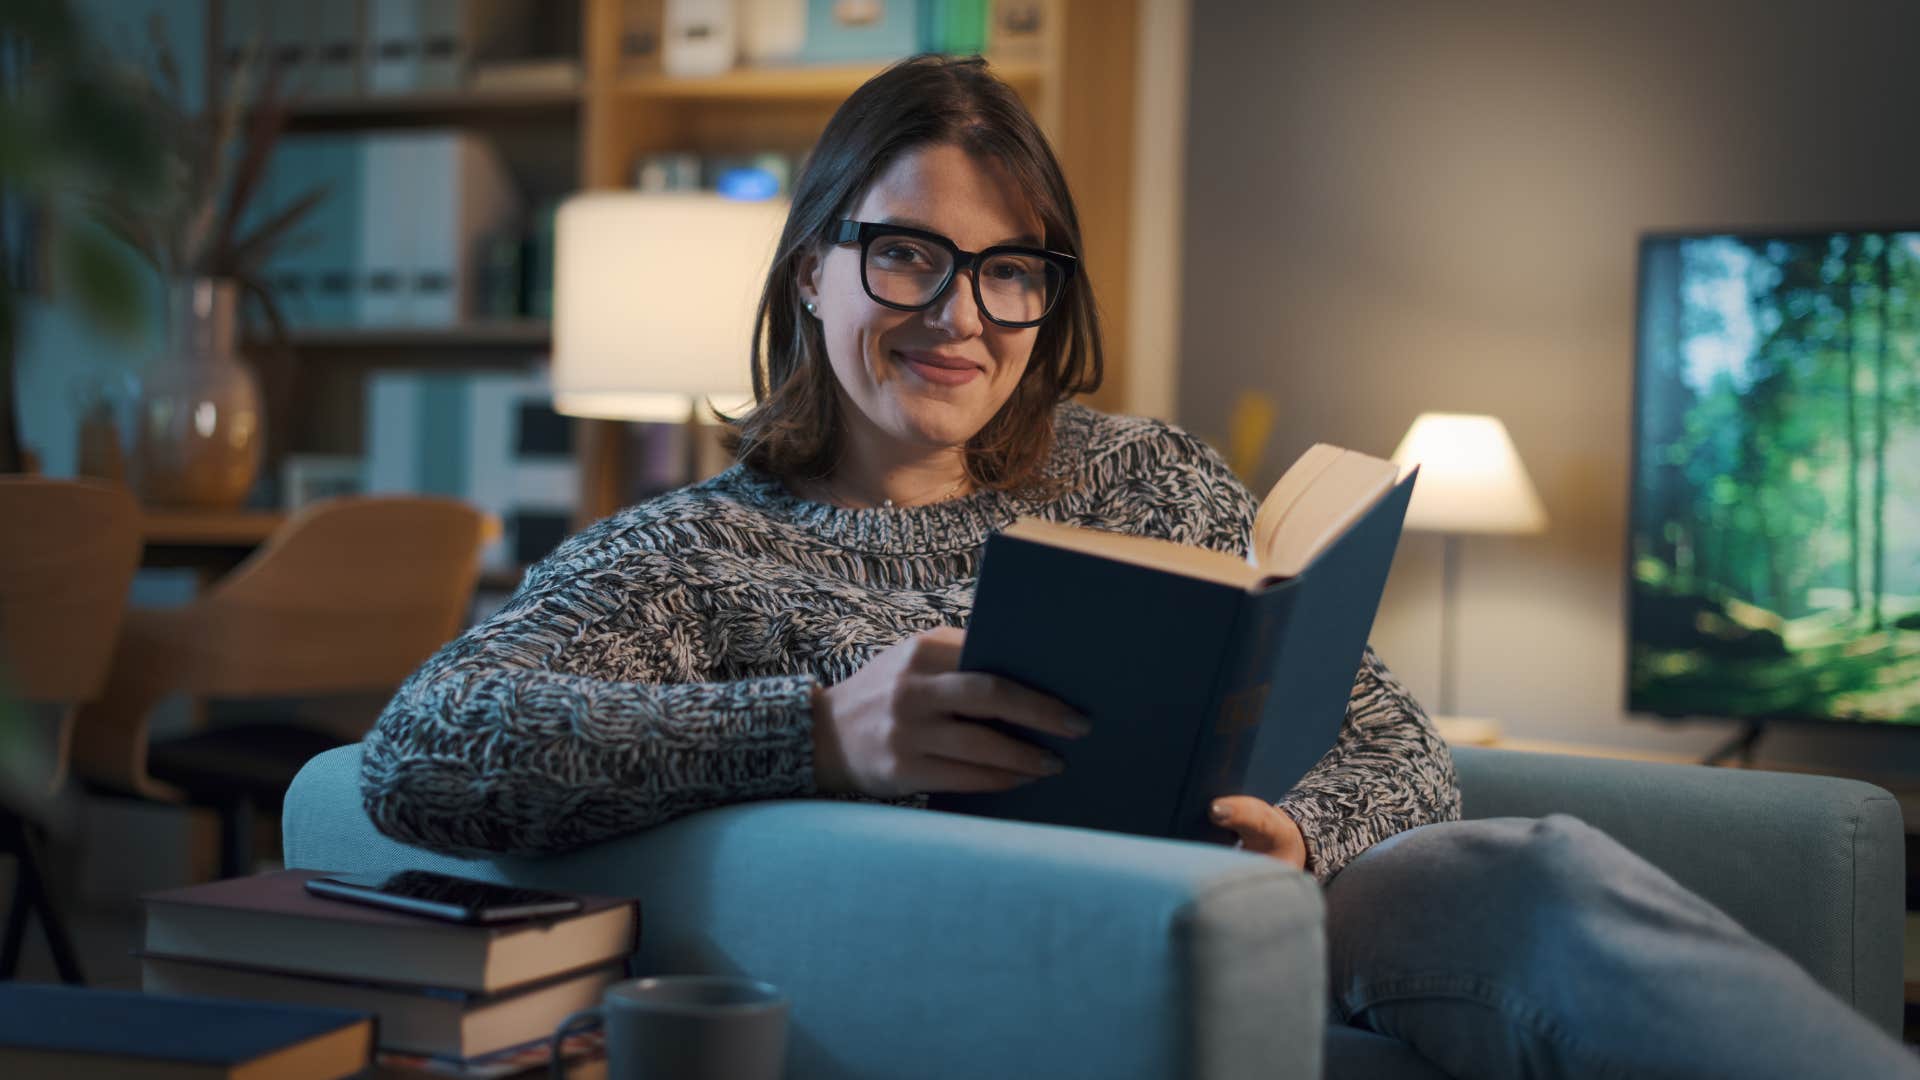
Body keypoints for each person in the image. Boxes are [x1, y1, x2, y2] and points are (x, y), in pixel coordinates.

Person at [362, 56, 1918, 1079]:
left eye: (1011, 273)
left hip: (1287, 924)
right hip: (1036, 969)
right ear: (814, 266)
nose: (960, 316)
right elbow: (421, 750)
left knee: (1540, 874)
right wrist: (818, 733)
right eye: (907, 255)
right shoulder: (695, 551)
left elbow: (1399, 750)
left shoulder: (1142, 475)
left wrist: (1297, 841)